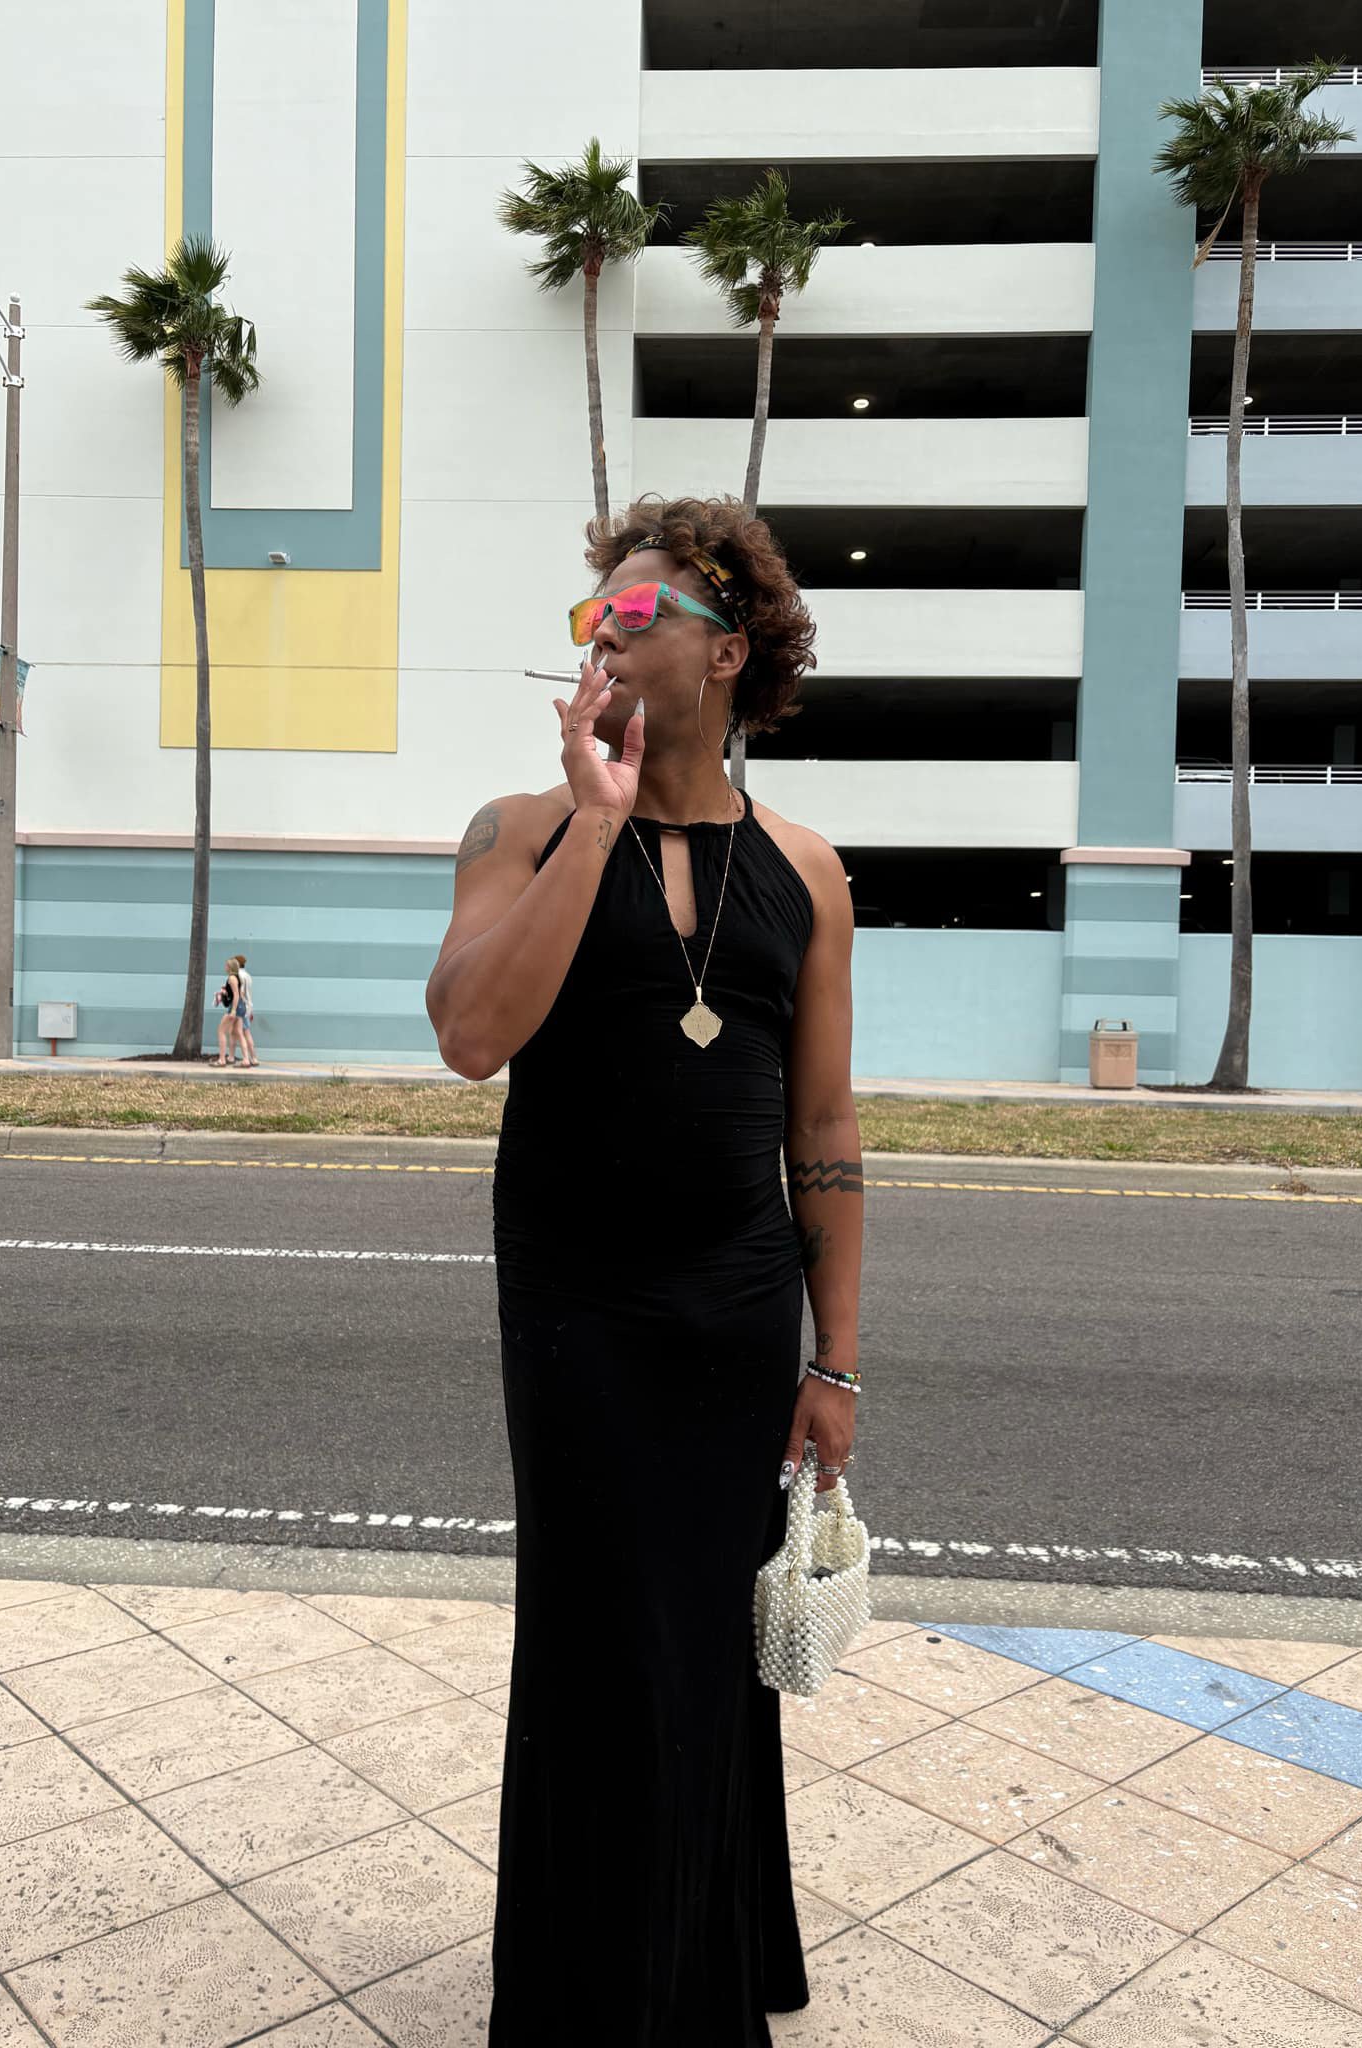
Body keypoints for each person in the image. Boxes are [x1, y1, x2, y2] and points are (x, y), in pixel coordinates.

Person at [426, 496, 865, 2047]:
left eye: (634, 614)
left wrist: (835, 1358)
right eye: (589, 620)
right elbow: (474, 1037)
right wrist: (597, 821)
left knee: (710, 1644)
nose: (601, 639)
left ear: (728, 650)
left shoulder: (808, 870)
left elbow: (822, 1126)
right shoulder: (517, 827)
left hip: (739, 1311)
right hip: (576, 1308)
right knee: (599, 1634)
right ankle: (585, 1987)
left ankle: (715, 1956)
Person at [214, 957, 243, 1067]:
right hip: (238, 1007)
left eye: (226, 965)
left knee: (221, 1031)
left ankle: (222, 1060)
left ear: (230, 967)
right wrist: (226, 992)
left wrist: (233, 1011)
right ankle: (231, 1056)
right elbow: (234, 993)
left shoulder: (232, 978)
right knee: (234, 1032)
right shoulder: (236, 978)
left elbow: (236, 994)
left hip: (234, 1008)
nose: (225, 967)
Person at [232, 953, 258, 1066]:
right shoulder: (248, 976)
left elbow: (240, 992)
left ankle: (241, 1058)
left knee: (236, 1033)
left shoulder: (237, 976)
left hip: (240, 1006)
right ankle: (254, 1058)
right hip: (248, 1006)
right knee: (247, 1032)